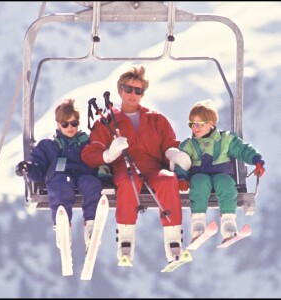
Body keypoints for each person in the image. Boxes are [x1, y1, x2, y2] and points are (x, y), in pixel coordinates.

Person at [81, 65, 191, 264]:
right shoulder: (107, 122)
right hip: (125, 167)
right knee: (127, 181)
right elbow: (90, 153)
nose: (133, 94)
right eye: (128, 89)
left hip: (154, 167)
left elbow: (169, 143)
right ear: (120, 90)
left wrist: (172, 153)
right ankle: (125, 241)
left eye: (138, 91)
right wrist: (109, 153)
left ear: (142, 94)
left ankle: (173, 242)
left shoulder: (156, 119)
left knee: (168, 180)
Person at [15, 99, 103, 251]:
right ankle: (63, 227)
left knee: (92, 184)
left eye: (74, 123)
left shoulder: (86, 141)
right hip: (60, 176)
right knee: (61, 186)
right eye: (65, 124)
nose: (70, 128)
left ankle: (91, 224)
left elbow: (98, 158)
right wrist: (28, 168)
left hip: (83, 174)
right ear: (58, 124)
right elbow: (39, 167)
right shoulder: (49, 145)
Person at [176, 99, 265, 243]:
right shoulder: (189, 145)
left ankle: (228, 223)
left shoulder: (226, 139)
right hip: (199, 177)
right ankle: (198, 223)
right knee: (199, 182)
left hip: (221, 175)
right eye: (191, 124)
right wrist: (181, 178)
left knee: (226, 183)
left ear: (211, 123)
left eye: (199, 124)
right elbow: (180, 161)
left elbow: (242, 149)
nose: (194, 128)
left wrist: (256, 160)